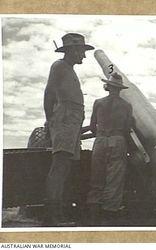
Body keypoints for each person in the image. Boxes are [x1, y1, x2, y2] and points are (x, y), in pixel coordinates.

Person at [43, 33, 94, 226]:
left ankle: (59, 213)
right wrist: (51, 121)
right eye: (81, 51)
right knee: (60, 167)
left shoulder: (69, 70)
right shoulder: (59, 66)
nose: (84, 56)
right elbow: (49, 93)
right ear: (72, 50)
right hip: (64, 119)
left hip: (71, 121)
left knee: (65, 168)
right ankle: (53, 216)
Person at [86, 72, 133, 225]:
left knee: (96, 177)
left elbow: (93, 126)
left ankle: (93, 216)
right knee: (114, 180)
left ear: (108, 86)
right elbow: (127, 128)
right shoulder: (126, 106)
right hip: (118, 139)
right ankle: (109, 216)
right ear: (120, 89)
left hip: (100, 140)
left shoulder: (98, 102)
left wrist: (101, 135)